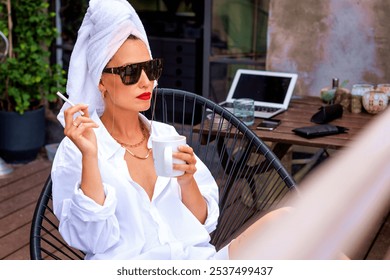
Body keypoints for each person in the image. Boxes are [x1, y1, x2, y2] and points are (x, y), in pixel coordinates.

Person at [53, 0, 288, 260]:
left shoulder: (167, 136)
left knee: (287, 220)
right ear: (101, 81)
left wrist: (187, 181)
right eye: (130, 72)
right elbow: (92, 240)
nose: (147, 82)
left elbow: (202, 224)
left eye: (151, 69)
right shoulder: (79, 147)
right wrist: (89, 157)